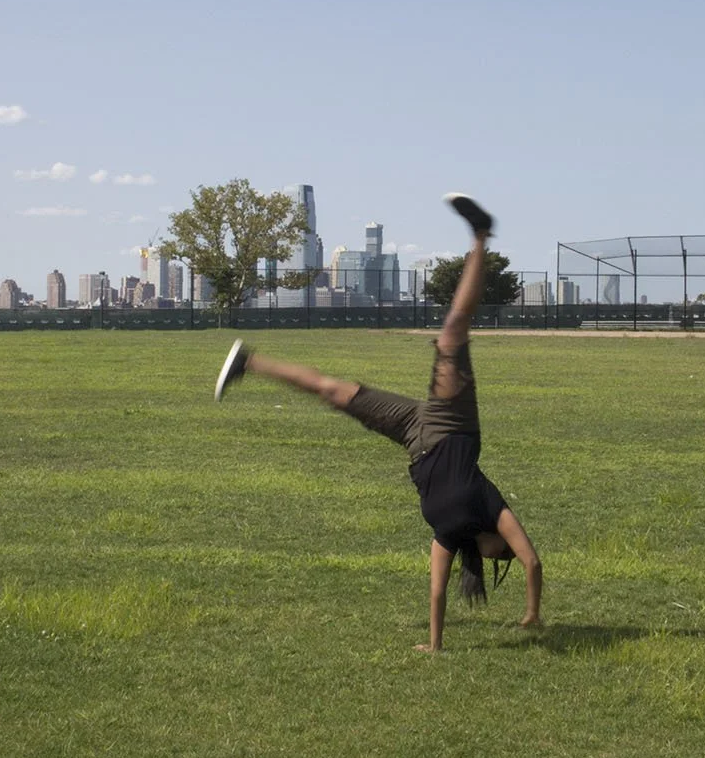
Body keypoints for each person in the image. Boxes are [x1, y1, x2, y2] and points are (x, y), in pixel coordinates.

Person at [214, 193, 542, 653]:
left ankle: (249, 363)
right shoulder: (491, 508)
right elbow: (532, 562)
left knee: (335, 394)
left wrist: (434, 646)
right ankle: (482, 234)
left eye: (496, 557)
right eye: (500, 554)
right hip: (452, 423)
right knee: (451, 333)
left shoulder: (447, 534)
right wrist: (533, 612)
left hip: (414, 435)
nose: (498, 555)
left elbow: (435, 593)